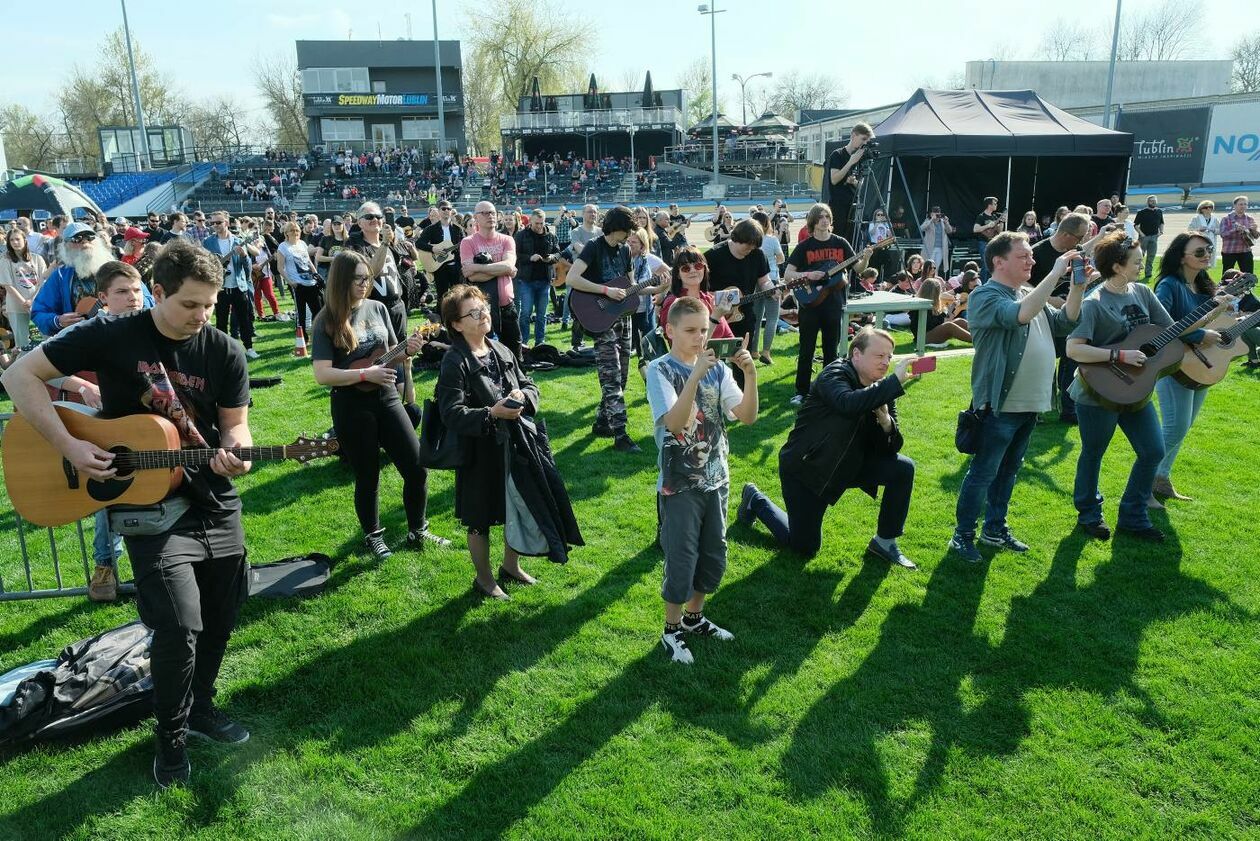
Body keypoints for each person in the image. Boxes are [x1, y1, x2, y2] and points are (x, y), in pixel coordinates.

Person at [2, 239, 255, 789]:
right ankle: (169, 735)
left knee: (222, 613)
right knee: (178, 628)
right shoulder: (112, 334)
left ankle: (201, 706)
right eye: (190, 304)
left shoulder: (224, 351)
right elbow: (18, 375)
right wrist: (69, 446)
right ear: (157, 292)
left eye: (210, 305)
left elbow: (236, 425)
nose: (202, 316)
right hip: (146, 506)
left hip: (212, 498)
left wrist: (236, 449)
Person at [1064, 232, 1228, 543]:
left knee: (1153, 450)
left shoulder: (1142, 292)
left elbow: (1173, 331)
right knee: (1094, 453)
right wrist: (1120, 354)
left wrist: (1214, 310)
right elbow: (1075, 350)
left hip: (1136, 390)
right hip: (1097, 392)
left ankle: (1133, 515)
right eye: (1137, 261)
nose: (1143, 265)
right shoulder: (1094, 302)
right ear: (1117, 266)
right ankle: (1089, 514)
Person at [947, 231, 1084, 562]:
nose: (1032, 261)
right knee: (984, 472)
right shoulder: (984, 296)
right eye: (1024, 256)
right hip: (999, 404)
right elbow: (1018, 315)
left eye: (1031, 257)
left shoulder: (1027, 292)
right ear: (999, 261)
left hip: (1031, 403)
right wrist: (1054, 274)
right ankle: (962, 535)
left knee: (1009, 471)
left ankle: (994, 530)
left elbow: (1066, 322)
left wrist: (1078, 286)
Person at [738, 327, 919, 568]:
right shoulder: (834, 374)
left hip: (848, 464)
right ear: (856, 354)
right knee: (804, 547)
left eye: (889, 357)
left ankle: (885, 542)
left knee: (903, 469)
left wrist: (886, 422)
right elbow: (847, 403)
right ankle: (756, 500)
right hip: (808, 469)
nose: (886, 362)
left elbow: (892, 447)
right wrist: (892, 383)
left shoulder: (881, 389)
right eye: (879, 356)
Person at [311, 251, 447, 560]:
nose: (364, 284)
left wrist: (408, 349)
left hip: (386, 397)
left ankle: (418, 529)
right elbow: (322, 374)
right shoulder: (327, 320)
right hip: (351, 404)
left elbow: (388, 354)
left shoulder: (378, 308)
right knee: (368, 475)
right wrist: (363, 373)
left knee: (417, 468)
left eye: (367, 278)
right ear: (341, 281)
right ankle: (373, 535)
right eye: (358, 279)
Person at [647, 296, 759, 663]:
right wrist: (694, 376)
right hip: (678, 482)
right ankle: (671, 629)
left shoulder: (719, 370)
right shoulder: (659, 370)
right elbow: (676, 424)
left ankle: (694, 619)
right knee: (682, 556)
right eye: (691, 331)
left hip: (716, 476)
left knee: (713, 553)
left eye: (704, 329)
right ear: (670, 331)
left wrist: (751, 375)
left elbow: (746, 416)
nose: (700, 337)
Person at [45, 261, 148, 601]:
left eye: (136, 290)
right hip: (110, 429)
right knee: (108, 495)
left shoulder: (156, 326)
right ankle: (106, 565)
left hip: (154, 428)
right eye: (122, 292)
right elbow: (34, 369)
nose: (133, 298)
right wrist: (82, 386)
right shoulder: (91, 331)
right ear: (103, 298)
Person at [436, 284, 542, 600]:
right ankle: (484, 579)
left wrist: (525, 396)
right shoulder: (454, 361)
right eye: (473, 312)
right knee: (479, 518)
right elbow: (451, 413)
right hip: (478, 451)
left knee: (515, 505)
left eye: (483, 307)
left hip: (514, 443)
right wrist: (490, 414)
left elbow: (528, 384)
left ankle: (511, 566)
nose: (483, 314)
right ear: (456, 324)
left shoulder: (502, 350)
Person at [1151, 233, 1228, 505]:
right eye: (1198, 252)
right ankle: (1144, 483)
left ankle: (1161, 477)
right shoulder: (1169, 285)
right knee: (1175, 426)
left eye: (1208, 250)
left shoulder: (1206, 285)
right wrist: (1198, 336)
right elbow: (1161, 325)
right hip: (1174, 364)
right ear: (1181, 256)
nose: (1206, 254)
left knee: (1184, 426)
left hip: (1201, 365)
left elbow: (1214, 325)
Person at [565, 205, 641, 452]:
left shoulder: (626, 250)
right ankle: (620, 433)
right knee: (611, 376)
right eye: (626, 230)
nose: (629, 235)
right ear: (616, 227)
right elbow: (572, 279)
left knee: (622, 377)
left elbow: (631, 285)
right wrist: (605, 290)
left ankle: (601, 422)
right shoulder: (594, 247)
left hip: (623, 316)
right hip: (600, 318)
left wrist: (656, 288)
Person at [784, 204, 868, 406]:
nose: (824, 220)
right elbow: (788, 274)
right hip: (810, 304)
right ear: (813, 221)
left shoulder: (841, 243)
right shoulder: (805, 246)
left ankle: (829, 389)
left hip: (834, 303)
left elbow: (859, 268)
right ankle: (801, 392)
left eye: (827, 216)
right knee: (807, 349)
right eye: (820, 216)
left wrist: (866, 257)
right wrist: (808, 274)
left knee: (831, 349)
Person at [1028, 213, 1102, 424]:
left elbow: (1078, 281)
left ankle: (1068, 409)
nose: (1081, 242)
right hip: (1042, 318)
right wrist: (1051, 300)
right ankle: (1036, 410)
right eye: (1080, 237)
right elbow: (1023, 288)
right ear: (1067, 234)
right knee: (1044, 363)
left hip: (1068, 317)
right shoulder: (1037, 253)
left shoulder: (1076, 253)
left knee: (1071, 360)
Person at [31, 222, 154, 337]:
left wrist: (135, 304)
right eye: (77, 239)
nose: (85, 242)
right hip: (82, 345)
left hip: (123, 337)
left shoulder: (118, 269)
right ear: (65, 246)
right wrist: (58, 321)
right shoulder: (60, 276)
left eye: (90, 237)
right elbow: (39, 312)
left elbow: (149, 302)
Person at [704, 219, 773, 389]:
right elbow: (701, 289)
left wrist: (772, 289)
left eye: (753, 247)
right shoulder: (713, 255)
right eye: (747, 246)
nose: (750, 250)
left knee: (742, 360)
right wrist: (718, 301)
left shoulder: (757, 254)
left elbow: (765, 281)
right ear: (736, 238)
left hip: (744, 316)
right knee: (711, 361)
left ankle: (742, 397)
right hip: (716, 317)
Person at [459, 201, 521, 362]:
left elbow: (509, 265)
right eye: (485, 213)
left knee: (515, 352)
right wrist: (503, 270)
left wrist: (478, 267)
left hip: (507, 306)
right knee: (488, 356)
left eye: (492, 212)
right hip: (482, 311)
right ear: (476, 218)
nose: (490, 216)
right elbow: (472, 277)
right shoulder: (468, 242)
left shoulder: (507, 239)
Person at [202, 212, 259, 360]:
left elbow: (247, 268)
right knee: (221, 321)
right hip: (220, 288)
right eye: (213, 223)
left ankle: (249, 347)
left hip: (238, 286)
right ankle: (222, 350)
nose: (215, 225)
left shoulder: (238, 241)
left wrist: (244, 256)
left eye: (218, 222)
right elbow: (204, 264)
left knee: (244, 319)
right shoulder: (208, 242)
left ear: (226, 223)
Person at [658, 248, 735, 339]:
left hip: (718, 353)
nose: (693, 270)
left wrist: (740, 351)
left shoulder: (710, 299)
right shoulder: (673, 303)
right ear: (678, 274)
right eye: (686, 268)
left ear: (704, 269)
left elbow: (729, 336)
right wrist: (715, 317)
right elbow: (687, 345)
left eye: (698, 266)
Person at [514, 208, 558, 349]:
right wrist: (529, 258)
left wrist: (552, 257)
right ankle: (525, 342)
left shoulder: (550, 236)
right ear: (530, 221)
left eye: (541, 223)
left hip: (544, 280)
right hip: (527, 280)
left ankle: (540, 341)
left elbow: (558, 253)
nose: (539, 226)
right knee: (525, 313)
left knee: (541, 314)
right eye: (536, 223)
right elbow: (515, 255)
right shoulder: (521, 236)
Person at [626, 227, 670, 364]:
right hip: (624, 310)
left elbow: (669, 274)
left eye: (634, 242)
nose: (629, 244)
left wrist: (661, 292)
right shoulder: (620, 258)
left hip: (644, 310)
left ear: (642, 245)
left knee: (651, 346)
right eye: (628, 241)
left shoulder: (649, 260)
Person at [275, 221, 324, 339]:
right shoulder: (283, 246)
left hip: (311, 282)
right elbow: (280, 267)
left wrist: (316, 275)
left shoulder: (302, 244)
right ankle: (303, 339)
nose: (295, 233)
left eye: (297, 230)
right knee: (301, 315)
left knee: (318, 311)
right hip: (298, 284)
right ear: (286, 233)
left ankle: (317, 336)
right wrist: (290, 282)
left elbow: (308, 261)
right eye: (292, 230)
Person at [0, 226, 47, 346]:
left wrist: (32, 301)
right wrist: (24, 303)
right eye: (12, 240)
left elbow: (42, 282)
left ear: (24, 240)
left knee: (43, 340)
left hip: (37, 306)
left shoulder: (37, 259)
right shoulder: (5, 260)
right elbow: (8, 285)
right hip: (16, 307)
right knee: (22, 343)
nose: (15, 242)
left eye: (17, 239)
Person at [826, 122, 874, 237]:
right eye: (863, 139)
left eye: (867, 141)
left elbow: (860, 185)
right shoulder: (837, 155)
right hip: (838, 206)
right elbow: (834, 179)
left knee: (853, 238)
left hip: (853, 206)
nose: (864, 143)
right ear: (853, 135)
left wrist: (854, 182)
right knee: (839, 237)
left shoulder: (861, 158)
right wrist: (851, 162)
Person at [417, 200, 465, 305]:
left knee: (458, 296)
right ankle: (442, 320)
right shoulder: (431, 229)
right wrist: (433, 249)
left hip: (455, 267)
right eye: (443, 208)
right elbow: (419, 243)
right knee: (442, 297)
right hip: (439, 268)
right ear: (439, 211)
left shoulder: (458, 229)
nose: (446, 210)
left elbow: (463, 246)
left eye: (449, 209)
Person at [752, 211, 784, 364]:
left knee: (756, 318)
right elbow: (781, 258)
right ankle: (766, 351)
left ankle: (753, 350)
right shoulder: (772, 240)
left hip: (755, 281)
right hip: (771, 278)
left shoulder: (751, 240)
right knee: (772, 318)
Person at [918, 279, 972, 347]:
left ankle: (983, 334)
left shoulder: (934, 305)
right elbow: (930, 325)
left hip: (933, 332)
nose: (941, 291)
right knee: (949, 326)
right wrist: (944, 320)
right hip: (923, 337)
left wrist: (951, 309)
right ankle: (979, 340)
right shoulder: (920, 306)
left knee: (960, 321)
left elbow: (943, 320)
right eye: (940, 290)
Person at [1219, 196, 1258, 275]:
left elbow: (1255, 237)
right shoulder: (1226, 219)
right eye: (1240, 204)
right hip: (1229, 251)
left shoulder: (1250, 219)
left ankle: (1247, 288)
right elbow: (1223, 234)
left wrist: (1254, 230)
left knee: (1248, 276)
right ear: (1234, 206)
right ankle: (1226, 288)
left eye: (1245, 204)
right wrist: (1235, 230)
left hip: (1245, 251)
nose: (1243, 206)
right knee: (1227, 276)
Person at [973, 197, 1005, 282]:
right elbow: (975, 229)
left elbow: (999, 231)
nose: (996, 205)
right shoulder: (981, 216)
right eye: (994, 203)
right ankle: (983, 284)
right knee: (985, 264)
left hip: (992, 243)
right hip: (983, 242)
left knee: (992, 264)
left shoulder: (994, 216)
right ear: (989, 205)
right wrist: (988, 226)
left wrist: (1001, 222)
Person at [1133, 195, 1164, 279]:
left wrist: (1161, 232)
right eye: (1151, 201)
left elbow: (1161, 222)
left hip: (1154, 237)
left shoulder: (1159, 211)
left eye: (1154, 200)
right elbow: (1135, 225)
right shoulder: (1142, 212)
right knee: (1139, 256)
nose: (1153, 202)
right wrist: (1142, 234)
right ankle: (1136, 273)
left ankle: (1148, 273)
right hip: (1144, 238)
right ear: (1147, 202)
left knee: (1151, 256)